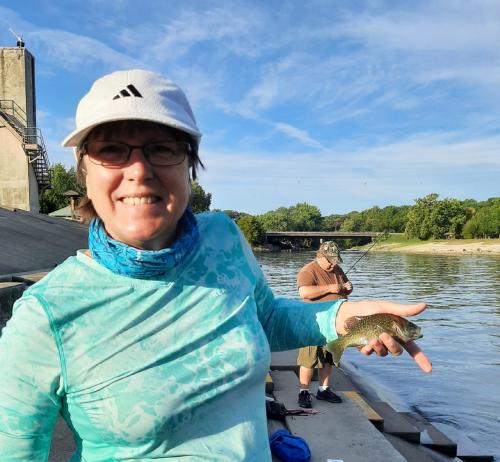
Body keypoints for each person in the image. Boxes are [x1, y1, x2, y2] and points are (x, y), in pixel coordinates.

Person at [0, 69, 432, 462]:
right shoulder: (45, 316)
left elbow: (264, 317)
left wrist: (337, 317)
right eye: (111, 150)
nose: (138, 170)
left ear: (190, 166)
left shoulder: (222, 237)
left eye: (162, 149)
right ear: (84, 174)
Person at [296, 241, 352, 408]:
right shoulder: (308, 270)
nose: (333, 264)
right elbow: (304, 292)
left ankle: (324, 389)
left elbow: (343, 288)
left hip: (334, 324)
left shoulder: (337, 269)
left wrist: (348, 288)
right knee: (309, 359)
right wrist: (330, 288)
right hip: (313, 323)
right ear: (319, 255)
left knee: (329, 358)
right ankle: (303, 391)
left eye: (336, 260)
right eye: (330, 260)